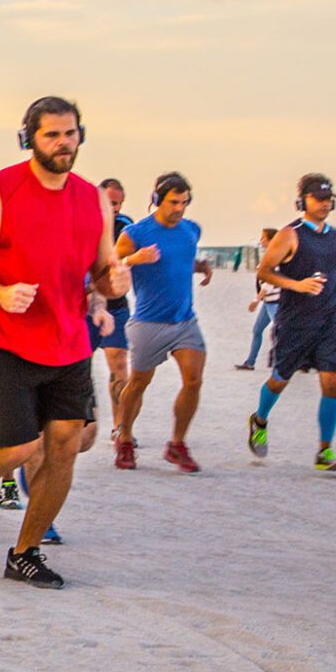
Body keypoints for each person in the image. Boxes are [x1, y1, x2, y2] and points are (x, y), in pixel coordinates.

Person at [0, 96, 129, 589]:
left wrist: (114, 284)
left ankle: (24, 552)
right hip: (6, 339)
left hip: (68, 340)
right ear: (29, 138)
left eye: (70, 134)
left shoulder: (92, 199)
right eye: (51, 134)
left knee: (65, 447)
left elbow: (102, 271)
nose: (63, 143)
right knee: (20, 445)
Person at [248, 174, 336, 471]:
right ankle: (259, 419)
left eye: (329, 199)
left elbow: (332, 270)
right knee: (280, 379)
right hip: (294, 321)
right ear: (303, 201)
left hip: (328, 319)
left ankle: (324, 452)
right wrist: (297, 285)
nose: (325, 204)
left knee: (332, 379)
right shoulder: (290, 234)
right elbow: (264, 271)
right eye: (319, 198)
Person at [112, 172, 213, 473]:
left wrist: (201, 267)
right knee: (139, 383)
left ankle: (177, 445)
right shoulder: (136, 233)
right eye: (173, 202)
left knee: (193, 380)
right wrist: (134, 260)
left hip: (184, 320)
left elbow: (178, 260)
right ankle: (125, 437)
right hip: (148, 322)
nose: (179, 208)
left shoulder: (192, 230)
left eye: (184, 202)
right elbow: (111, 266)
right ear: (157, 200)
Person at [91, 177, 135, 447]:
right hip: (80, 307)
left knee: (119, 365)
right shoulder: (80, 221)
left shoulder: (126, 227)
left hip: (115, 306)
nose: (114, 208)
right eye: (109, 202)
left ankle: (120, 426)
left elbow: (131, 257)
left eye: (117, 203)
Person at [236, 227, 281, 370]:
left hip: (275, 301)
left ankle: (281, 362)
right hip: (268, 302)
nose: (261, 240)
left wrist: (256, 299)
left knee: (280, 332)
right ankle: (250, 362)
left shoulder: (275, 257)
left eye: (263, 238)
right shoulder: (269, 256)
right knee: (257, 330)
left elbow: (270, 282)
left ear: (271, 240)